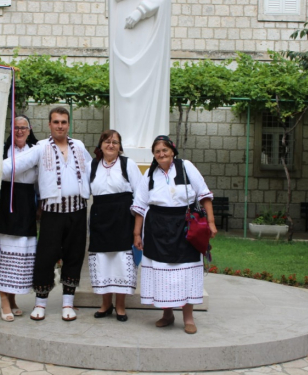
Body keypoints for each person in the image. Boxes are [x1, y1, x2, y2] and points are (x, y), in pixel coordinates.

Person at [2, 107, 92, 321]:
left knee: (74, 256)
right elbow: (18, 164)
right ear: (49, 125)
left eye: (63, 122)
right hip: (52, 212)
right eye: (56, 122)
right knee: (45, 257)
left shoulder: (78, 145)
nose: (60, 125)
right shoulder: (41, 147)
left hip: (78, 211)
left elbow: (92, 169)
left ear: (68, 124)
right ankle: (40, 303)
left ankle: (68, 303)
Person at [132, 135, 217, 334]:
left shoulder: (186, 167)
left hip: (184, 225)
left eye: (165, 150)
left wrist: (211, 223)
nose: (161, 154)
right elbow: (140, 205)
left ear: (173, 151)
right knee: (163, 274)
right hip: (157, 227)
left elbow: (204, 194)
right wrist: (137, 233)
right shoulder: (150, 174)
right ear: (153, 155)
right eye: (157, 151)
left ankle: (188, 318)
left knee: (186, 271)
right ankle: (167, 314)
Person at [0, 115, 39, 322]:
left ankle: (12, 300)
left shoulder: (36, 151)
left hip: (26, 207)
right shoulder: (1, 152)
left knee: (18, 257)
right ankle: (4, 301)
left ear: (29, 130)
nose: (20, 131)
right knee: (3, 256)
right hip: (4, 206)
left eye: (23, 128)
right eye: (16, 128)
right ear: (11, 131)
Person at [87, 130, 142, 322]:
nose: (111, 145)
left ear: (120, 146)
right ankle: (105, 304)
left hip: (123, 219)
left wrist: (137, 228)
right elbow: (84, 191)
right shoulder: (92, 166)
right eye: (107, 141)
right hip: (100, 218)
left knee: (120, 261)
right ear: (101, 145)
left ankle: (120, 306)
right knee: (102, 261)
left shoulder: (128, 164)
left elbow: (140, 195)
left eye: (115, 142)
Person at [109, 0, 171, 148]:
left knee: (145, 84)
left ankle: (144, 138)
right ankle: (125, 136)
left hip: (146, 28)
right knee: (125, 86)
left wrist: (141, 10)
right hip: (124, 28)